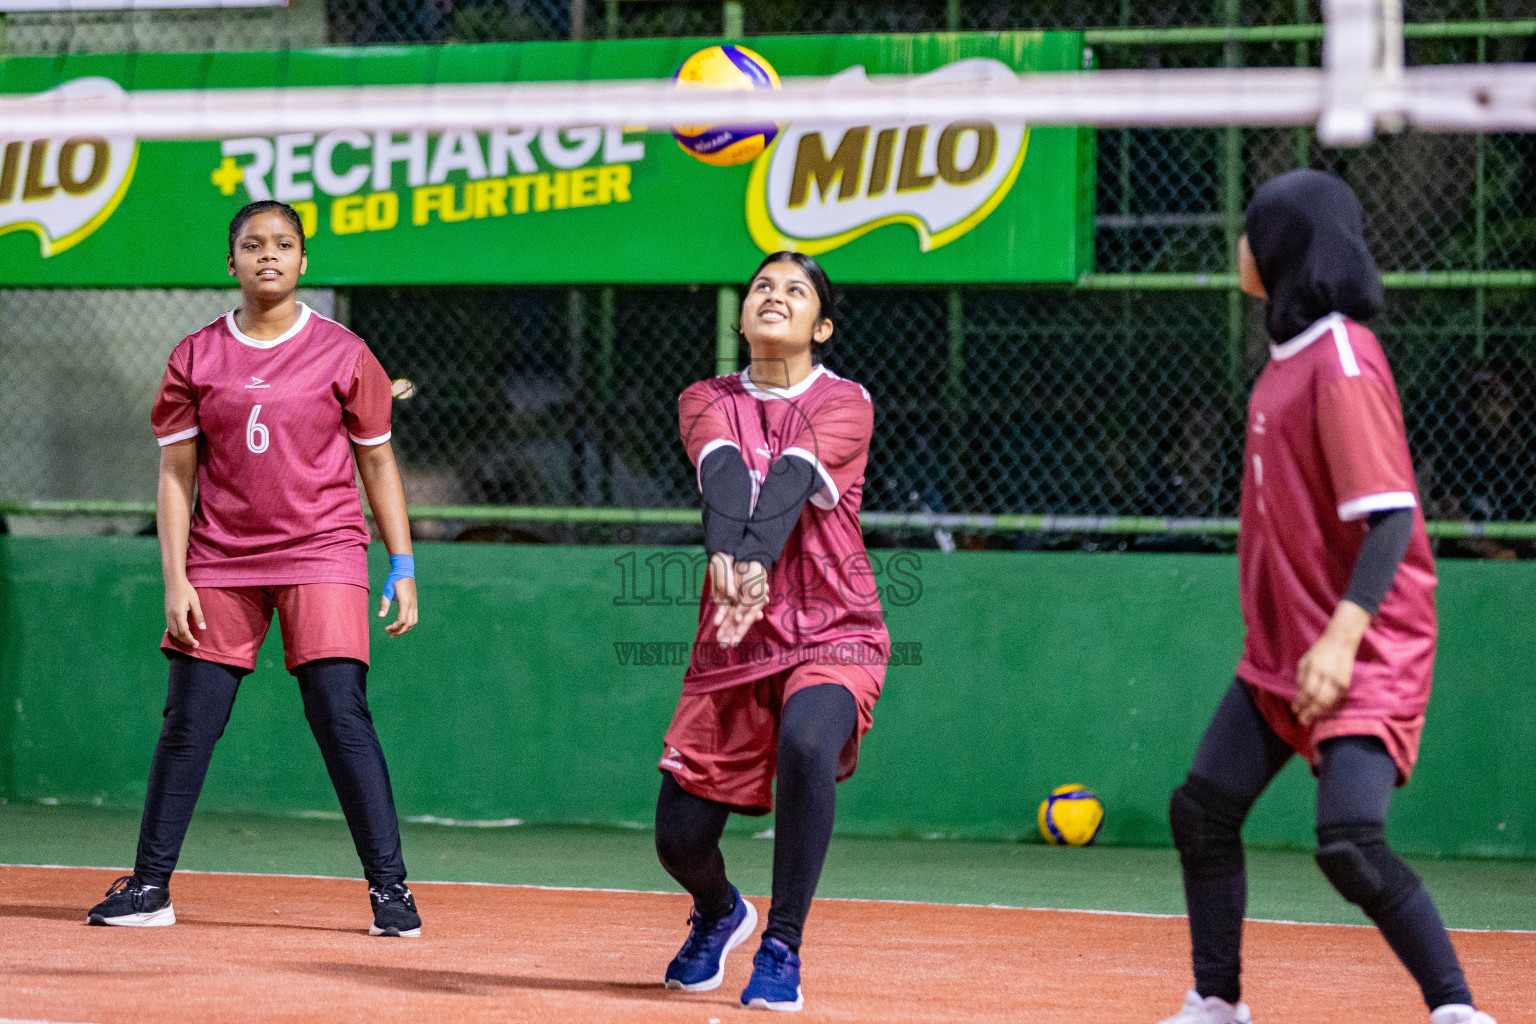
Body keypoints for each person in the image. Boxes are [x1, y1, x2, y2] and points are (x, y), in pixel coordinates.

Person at [1155, 170, 1494, 1024]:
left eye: (1250, 229)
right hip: (1284, 653)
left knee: (1349, 842)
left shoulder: (1341, 356)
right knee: (1203, 811)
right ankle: (1216, 1001)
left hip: (1366, 644)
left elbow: (1389, 519)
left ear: (1285, 246)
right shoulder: (1283, 362)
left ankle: (1457, 1009)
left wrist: (1341, 640)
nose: (1239, 246)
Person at [86, 201, 424, 939]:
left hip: (324, 549)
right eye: (252, 244)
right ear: (230, 263)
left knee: (340, 714)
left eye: (284, 244)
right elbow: (177, 476)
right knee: (188, 723)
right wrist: (176, 578)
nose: (268, 254)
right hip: (221, 558)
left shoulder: (344, 352)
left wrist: (401, 564)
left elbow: (377, 460)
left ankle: (390, 893)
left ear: (304, 262)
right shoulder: (196, 355)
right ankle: (149, 887)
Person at [656, 252, 890, 1013]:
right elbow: (726, 476)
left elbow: (789, 476)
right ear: (742, 313)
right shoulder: (706, 398)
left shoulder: (845, 401)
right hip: (733, 643)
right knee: (679, 840)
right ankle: (722, 911)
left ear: (820, 326)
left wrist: (749, 566)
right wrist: (732, 561)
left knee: (808, 743)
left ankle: (782, 945)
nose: (774, 296)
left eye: (795, 290)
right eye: (762, 285)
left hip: (834, 627)